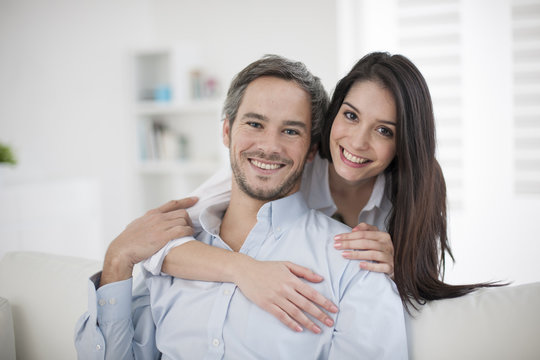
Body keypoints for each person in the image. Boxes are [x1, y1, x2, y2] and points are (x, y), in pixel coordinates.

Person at [74, 55, 408, 359]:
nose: (269, 146)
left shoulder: (354, 266)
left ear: (311, 150)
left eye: (290, 131)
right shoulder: (177, 248)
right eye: (254, 124)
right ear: (226, 130)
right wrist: (117, 260)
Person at [141, 51, 498, 333]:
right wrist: (243, 269)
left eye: (384, 131)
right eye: (351, 116)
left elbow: (414, 293)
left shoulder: (415, 193)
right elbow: (164, 243)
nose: (357, 142)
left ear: (403, 143)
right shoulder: (286, 163)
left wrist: (397, 269)